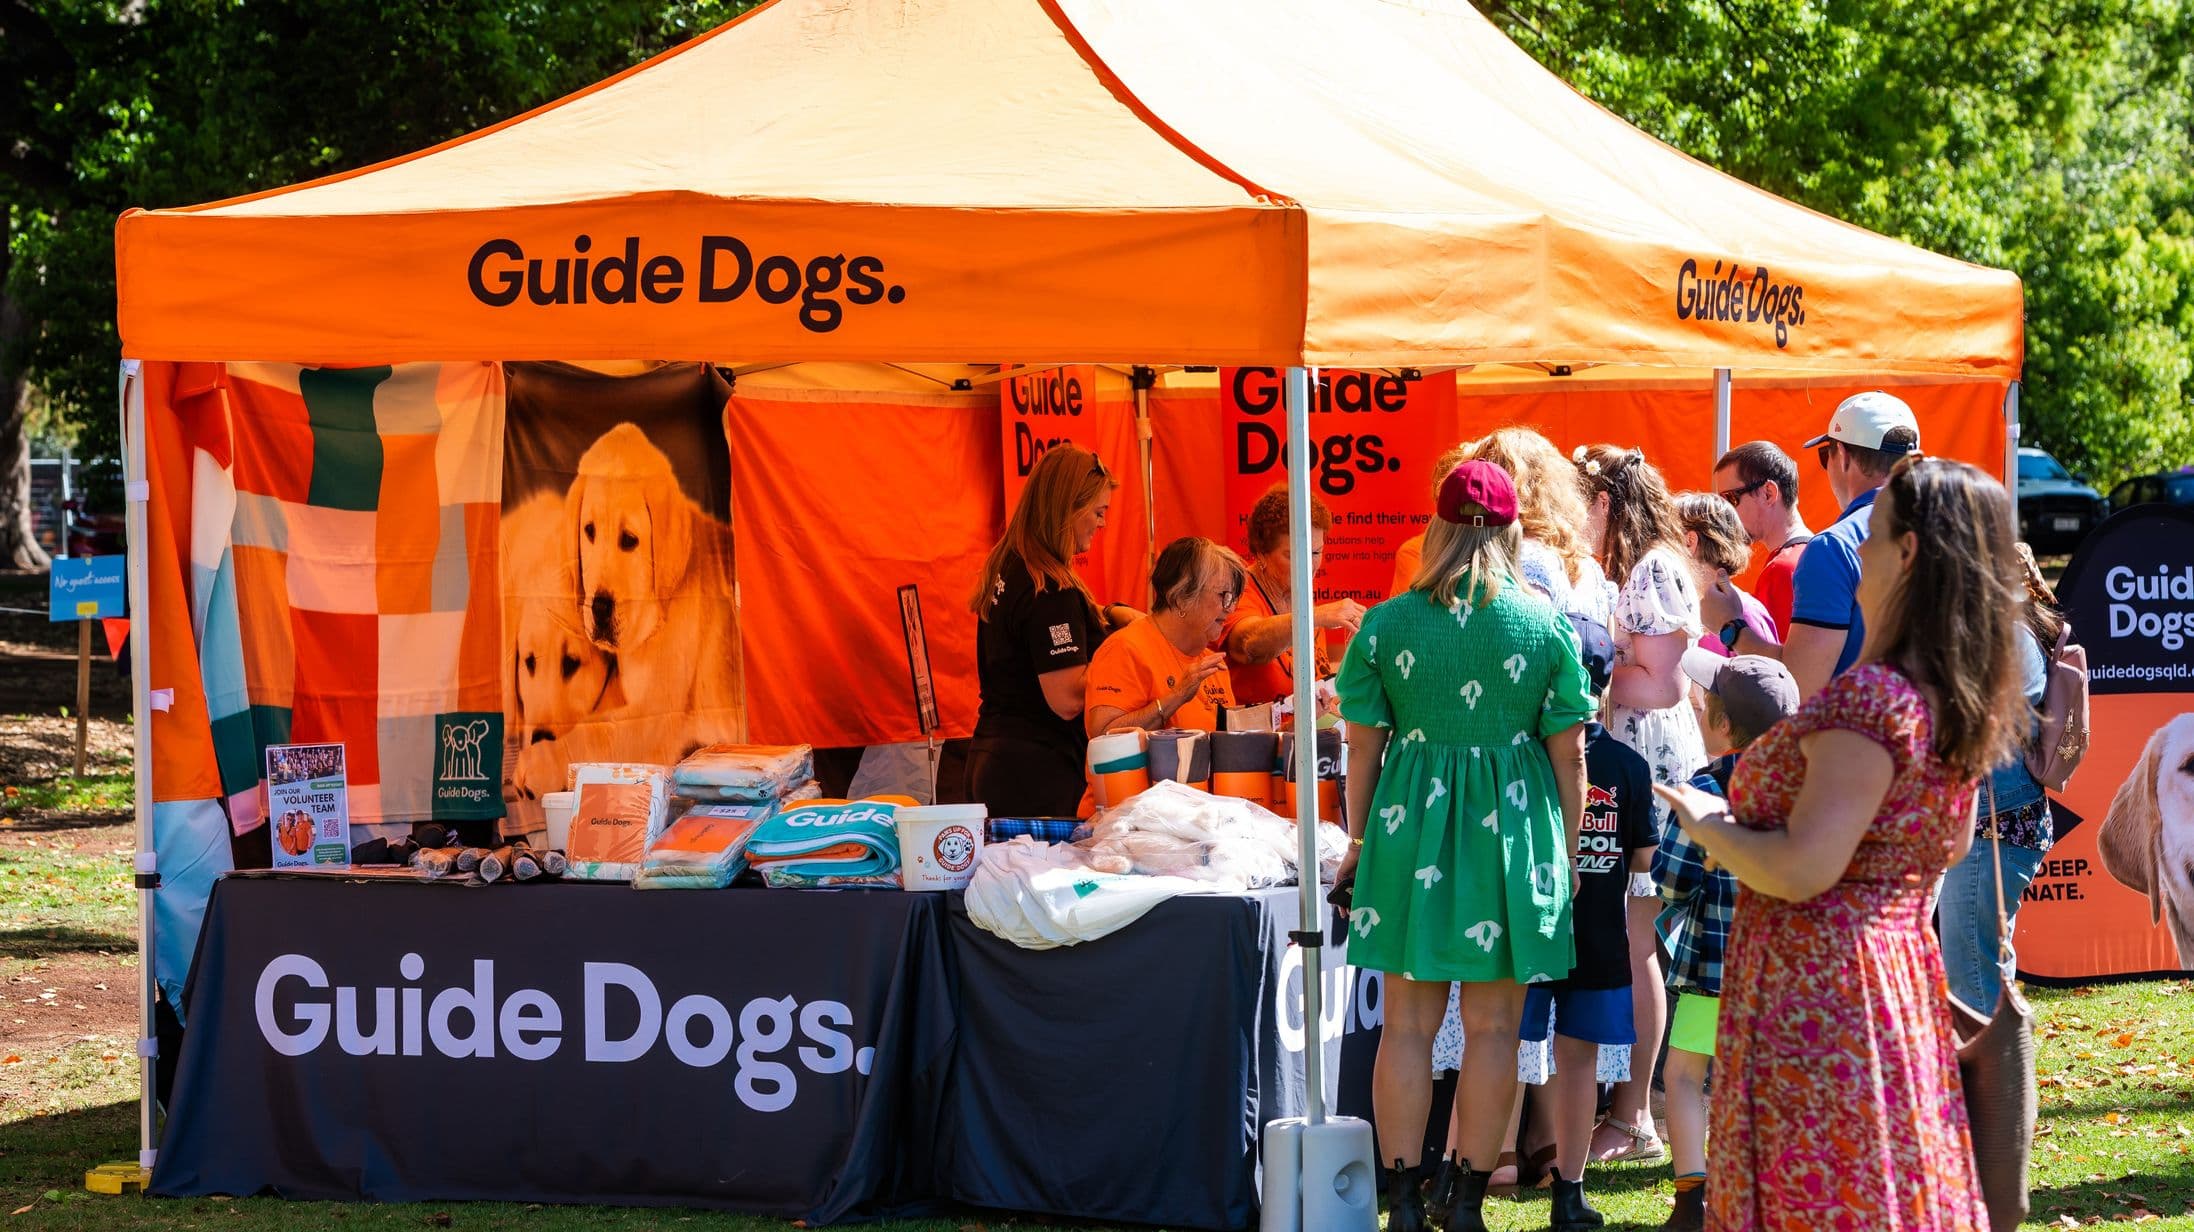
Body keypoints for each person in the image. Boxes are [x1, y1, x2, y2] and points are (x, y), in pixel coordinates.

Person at [1654, 455, 2030, 1231]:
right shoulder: (1949, 696)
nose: (1854, 547)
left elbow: (1801, 868)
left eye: (1874, 532)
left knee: (1822, 1197)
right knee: (1878, 1191)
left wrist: (1707, 821)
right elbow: (1948, 845)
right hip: (1889, 978)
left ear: (1910, 553)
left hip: (1820, 996)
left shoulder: (1871, 701)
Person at [1334, 459, 1595, 1232]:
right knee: (1494, 1030)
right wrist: (1570, 851)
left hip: (1407, 829)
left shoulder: (1385, 623)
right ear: (1513, 530)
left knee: (1406, 1027)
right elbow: (1571, 755)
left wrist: (1356, 840)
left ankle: (1406, 1200)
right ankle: (1470, 1202)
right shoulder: (1545, 624)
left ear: (1436, 530)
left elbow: (1360, 750)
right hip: (1512, 833)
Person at [1575, 443, 1703, 1166]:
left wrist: (1585, 666)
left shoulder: (1653, 567)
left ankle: (1633, 1117)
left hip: (1649, 766)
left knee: (1637, 939)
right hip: (1636, 762)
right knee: (1632, 937)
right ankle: (1628, 1108)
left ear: (1603, 506)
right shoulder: (1641, 567)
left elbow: (1662, 684)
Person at [1515, 616, 1656, 1231]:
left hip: (1528, 933)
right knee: (1576, 1065)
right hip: (1597, 936)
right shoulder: (1628, 765)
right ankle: (1568, 1191)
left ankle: (1465, 1175)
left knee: (1496, 1049)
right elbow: (1644, 862)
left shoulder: (1521, 756)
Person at [1656, 649, 1800, 1231]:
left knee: (1686, 1076)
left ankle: (1693, 1199)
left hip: (1714, 969)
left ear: (1720, 725)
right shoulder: (1814, 787)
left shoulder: (1707, 786)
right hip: (1791, 973)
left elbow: (1670, 880)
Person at [1710, 391, 1919, 700]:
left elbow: (1798, 685)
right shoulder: (1955, 531)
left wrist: (1729, 625)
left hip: (1859, 739)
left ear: (1844, 457)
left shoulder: (1834, 547)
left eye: (1826, 455)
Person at [968, 445, 1128, 816]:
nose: (1102, 523)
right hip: (1035, 775)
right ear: (1067, 508)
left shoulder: (1012, 566)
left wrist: (1112, 614)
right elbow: (1068, 699)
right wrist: (1125, 659)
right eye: (1098, 512)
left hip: (998, 760)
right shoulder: (1048, 588)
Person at [1937, 541, 2062, 1012]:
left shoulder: (2010, 636)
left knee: (1974, 984)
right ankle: (2006, 1080)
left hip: (1996, 826)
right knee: (1988, 970)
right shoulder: (2012, 631)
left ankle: (1991, 1084)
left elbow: (1987, 718)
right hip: (2002, 822)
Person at [1085, 536, 1243, 738]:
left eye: (1233, 598)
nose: (1230, 608)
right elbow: (1104, 736)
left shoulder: (1213, 664)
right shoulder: (1124, 649)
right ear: (1179, 598)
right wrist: (1177, 696)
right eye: (1223, 595)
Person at [1222, 485, 1364, 706]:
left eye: (1316, 552)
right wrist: (1315, 616)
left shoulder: (1299, 593)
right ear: (1261, 552)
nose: (1308, 565)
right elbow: (1248, 644)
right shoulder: (1241, 592)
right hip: (1254, 737)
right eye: (1293, 554)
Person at [1708, 441, 1813, 639]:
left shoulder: (1783, 569)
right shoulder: (1812, 554)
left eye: (1730, 499)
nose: (1724, 513)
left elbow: (1772, 665)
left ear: (1768, 493)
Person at [1675, 493, 1776, 656]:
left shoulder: (1747, 612)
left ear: (1690, 542)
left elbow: (1769, 678)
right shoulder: (1682, 611)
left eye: (1667, 539)